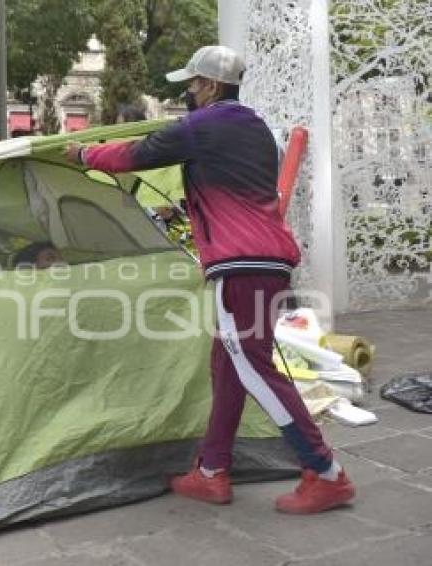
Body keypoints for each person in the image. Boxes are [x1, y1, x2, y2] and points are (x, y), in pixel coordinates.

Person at [65, 45, 355, 514]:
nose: (189, 93)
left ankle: (326, 473)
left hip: (239, 265)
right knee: (229, 363)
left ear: (212, 86)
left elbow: (137, 153)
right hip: (270, 262)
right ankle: (212, 471)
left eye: (193, 85)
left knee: (251, 365)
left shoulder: (203, 126)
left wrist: (82, 153)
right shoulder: (259, 131)